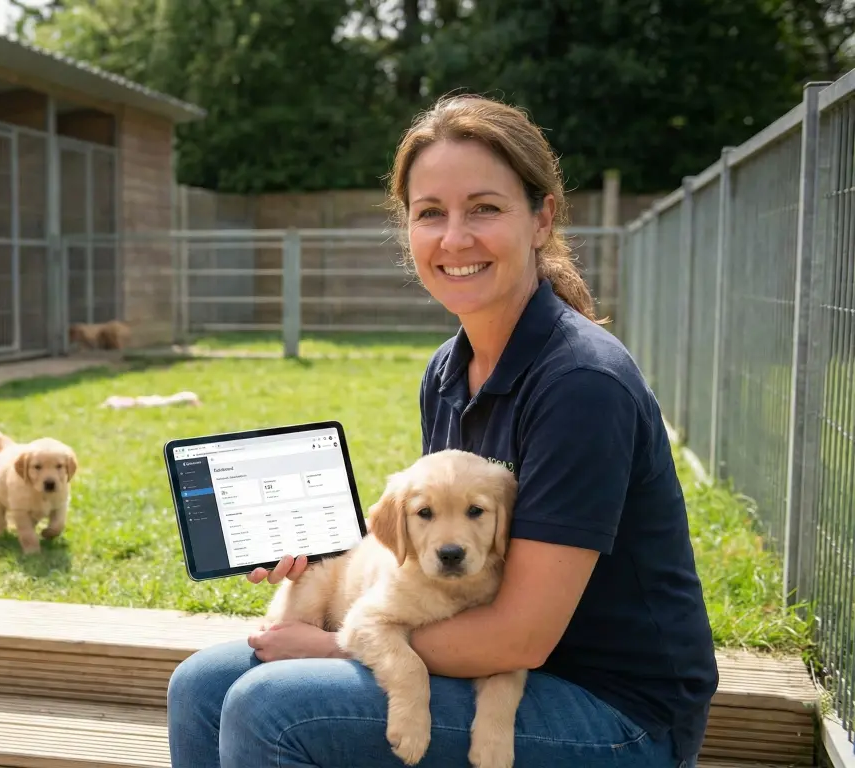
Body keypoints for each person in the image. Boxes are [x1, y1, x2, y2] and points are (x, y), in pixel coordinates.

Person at [166, 93, 719, 768]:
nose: (454, 238)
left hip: (612, 710)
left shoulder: (582, 386)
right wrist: (321, 562)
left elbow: (519, 639)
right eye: (430, 214)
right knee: (199, 686)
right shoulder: (448, 370)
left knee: (272, 705)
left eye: (484, 208)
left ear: (542, 219)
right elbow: (438, 546)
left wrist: (340, 646)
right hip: (482, 658)